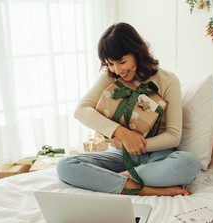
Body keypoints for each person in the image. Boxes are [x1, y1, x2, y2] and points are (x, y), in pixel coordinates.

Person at [57, 22, 201, 196]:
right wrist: (124, 136)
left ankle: (116, 180)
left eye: (121, 62)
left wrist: (137, 145)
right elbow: (81, 110)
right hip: (120, 155)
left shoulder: (168, 81)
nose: (117, 70)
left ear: (137, 52)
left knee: (189, 164)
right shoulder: (109, 76)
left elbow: (173, 136)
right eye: (110, 64)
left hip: (157, 156)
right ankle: (143, 189)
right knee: (65, 166)